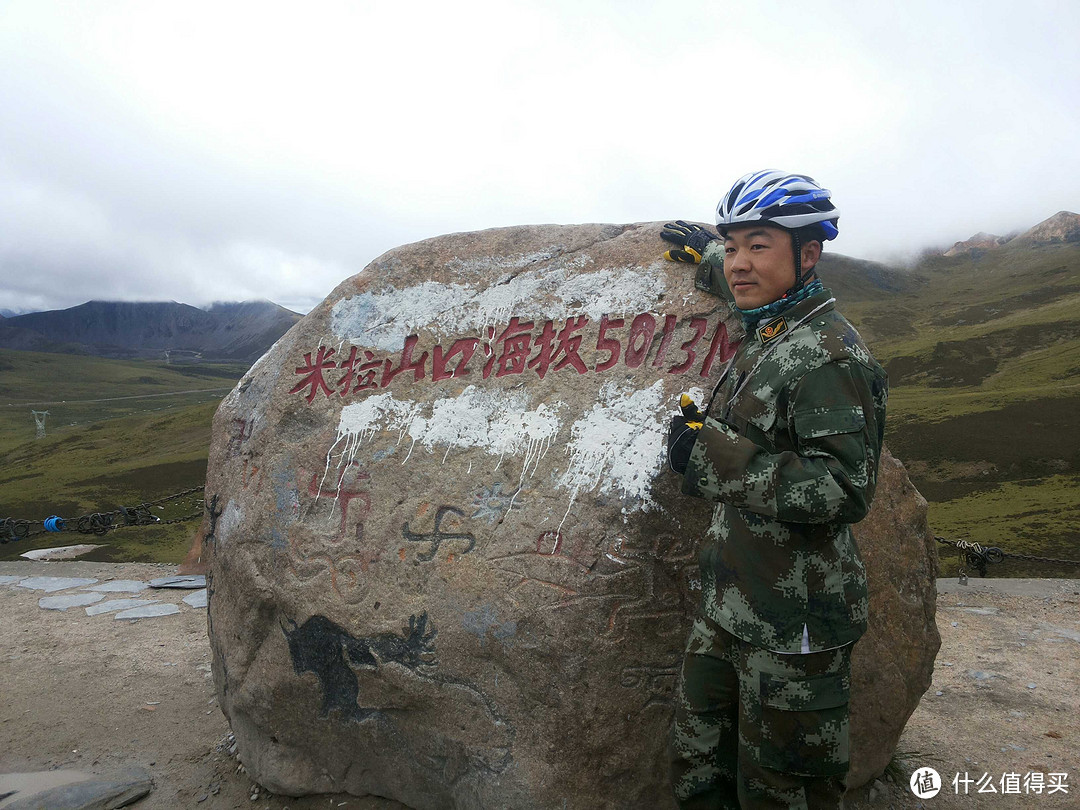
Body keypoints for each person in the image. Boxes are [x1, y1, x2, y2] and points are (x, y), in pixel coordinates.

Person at [661, 170, 888, 809]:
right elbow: (740, 287)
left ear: (809, 254)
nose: (739, 264)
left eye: (758, 246)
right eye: (733, 247)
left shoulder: (830, 358)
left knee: (782, 792)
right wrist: (708, 258)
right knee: (699, 769)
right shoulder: (772, 325)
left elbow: (843, 488)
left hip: (795, 629)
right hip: (730, 606)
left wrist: (712, 455)